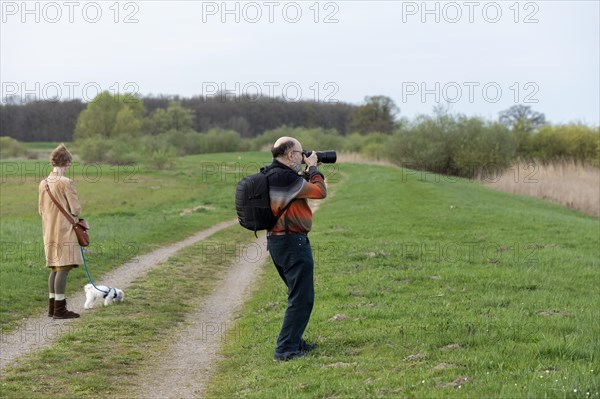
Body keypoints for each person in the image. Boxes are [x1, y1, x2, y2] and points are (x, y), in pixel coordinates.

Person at [266, 136, 327, 361]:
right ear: (290, 154)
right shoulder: (286, 178)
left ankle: (295, 341)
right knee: (302, 298)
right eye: (301, 154)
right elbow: (320, 191)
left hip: (276, 242)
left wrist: (307, 170)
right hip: (292, 242)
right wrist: (313, 169)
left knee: (297, 294)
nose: (303, 158)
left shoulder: (271, 174)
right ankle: (285, 350)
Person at [38, 144, 83, 319]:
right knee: (63, 267)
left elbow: (40, 210)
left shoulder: (43, 183)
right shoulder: (66, 182)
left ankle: (52, 308)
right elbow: (76, 208)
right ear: (66, 162)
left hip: (48, 229)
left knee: (55, 268)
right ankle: (60, 309)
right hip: (64, 229)